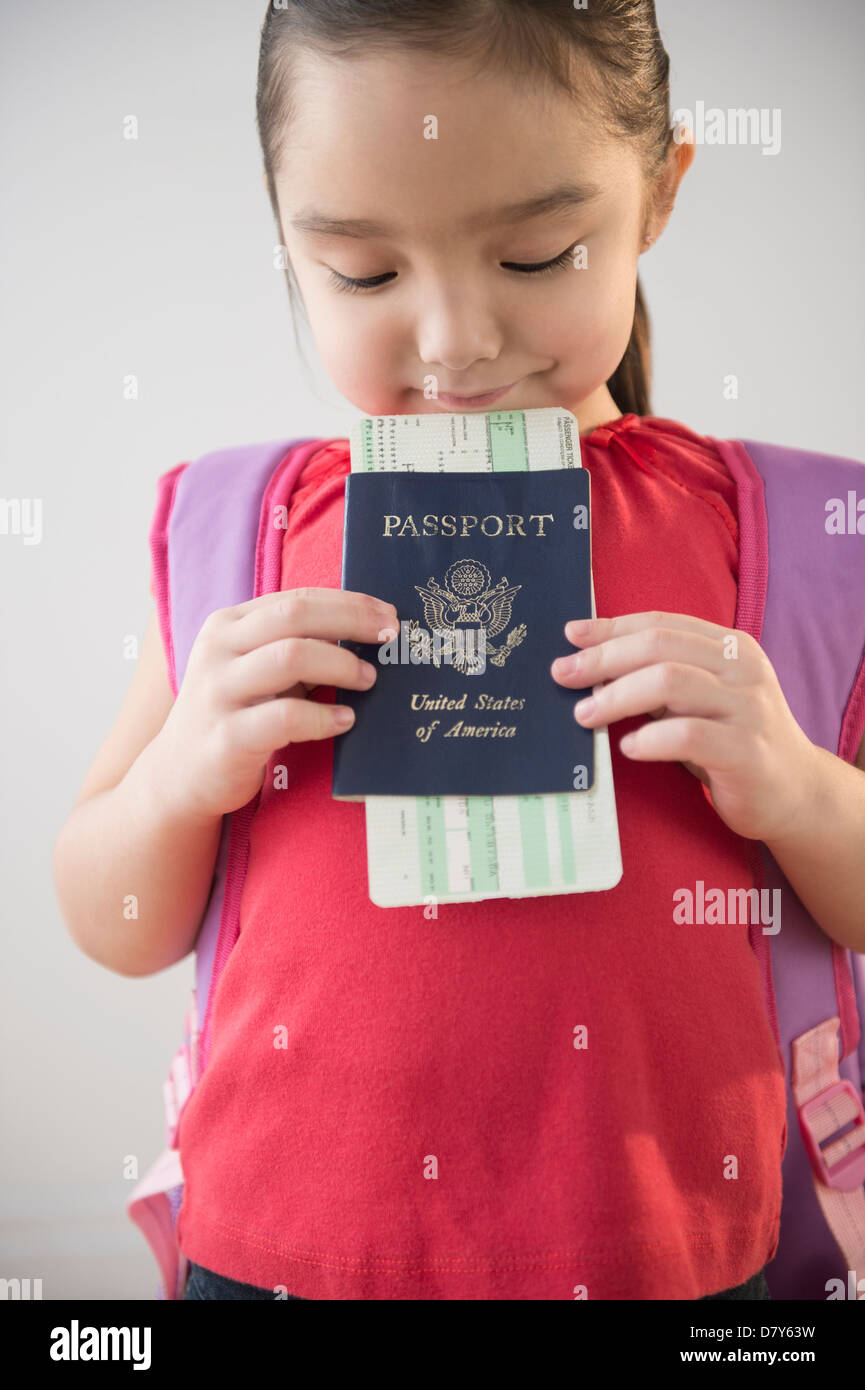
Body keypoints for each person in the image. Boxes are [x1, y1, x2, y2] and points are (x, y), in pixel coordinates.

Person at [53, 0, 865, 1301]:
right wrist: (178, 779)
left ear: (656, 195)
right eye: (365, 273)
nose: (452, 340)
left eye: (538, 253)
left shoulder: (790, 538)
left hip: (669, 1258)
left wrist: (799, 788)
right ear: (284, 238)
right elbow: (113, 917)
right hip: (278, 1257)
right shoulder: (241, 533)